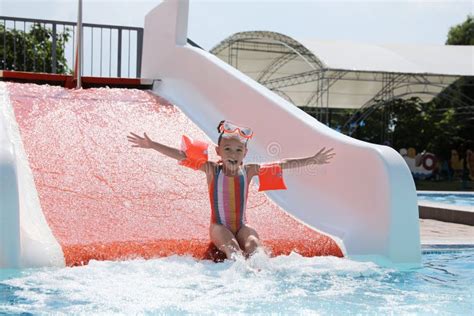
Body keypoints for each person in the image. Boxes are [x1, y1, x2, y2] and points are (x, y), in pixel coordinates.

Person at [127, 120, 335, 260]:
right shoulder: (211, 170)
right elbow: (182, 156)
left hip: (242, 225)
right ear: (218, 151)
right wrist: (153, 145)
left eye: (238, 150)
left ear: (245, 153)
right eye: (227, 149)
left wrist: (312, 160)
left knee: (255, 246)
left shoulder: (250, 171)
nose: (233, 153)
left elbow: (283, 163)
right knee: (233, 250)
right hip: (219, 226)